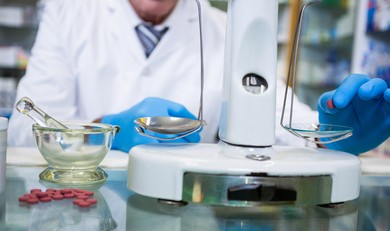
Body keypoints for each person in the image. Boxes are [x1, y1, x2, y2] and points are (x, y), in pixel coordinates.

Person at [7, 0, 390, 156]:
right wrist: (104, 130)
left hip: (188, 228)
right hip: (80, 222)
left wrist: (330, 134)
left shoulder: (226, 27)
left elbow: (278, 116)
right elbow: (25, 132)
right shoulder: (69, 13)